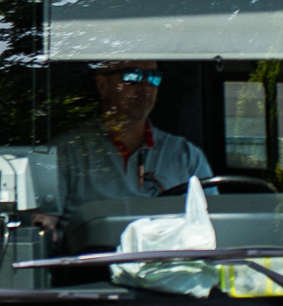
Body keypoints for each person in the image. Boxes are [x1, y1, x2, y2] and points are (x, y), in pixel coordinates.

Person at [45, 61, 212, 229]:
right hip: (97, 254)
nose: (146, 87)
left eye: (154, 78)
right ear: (103, 85)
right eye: (133, 76)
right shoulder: (63, 153)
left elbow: (212, 223)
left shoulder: (186, 156)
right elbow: (42, 228)